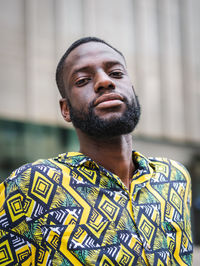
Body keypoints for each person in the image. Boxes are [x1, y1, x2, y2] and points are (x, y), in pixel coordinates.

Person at [0, 37, 193, 265]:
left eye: (117, 74)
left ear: (131, 90)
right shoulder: (31, 184)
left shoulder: (175, 178)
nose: (104, 82)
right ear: (66, 109)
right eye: (82, 80)